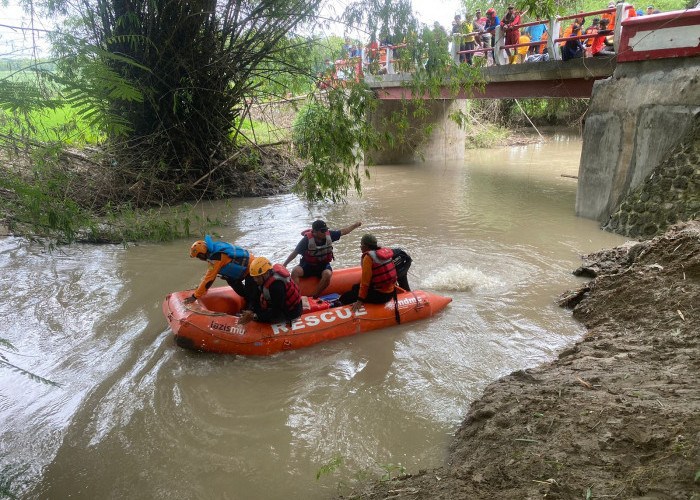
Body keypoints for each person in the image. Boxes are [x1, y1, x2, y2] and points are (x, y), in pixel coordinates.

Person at [283, 219, 362, 299]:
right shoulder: (306, 240)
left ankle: (315, 296)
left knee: (327, 274)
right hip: (308, 266)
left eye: (326, 230)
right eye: (322, 231)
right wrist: (285, 265)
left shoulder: (329, 235)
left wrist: (355, 225)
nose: (325, 232)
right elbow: (294, 253)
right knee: (295, 271)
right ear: (315, 232)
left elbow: (343, 232)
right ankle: (296, 297)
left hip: (323, 266)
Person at [185, 236, 258, 306]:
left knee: (251, 294)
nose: (200, 259)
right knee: (231, 281)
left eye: (199, 256)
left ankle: (252, 306)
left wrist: (195, 296)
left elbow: (209, 279)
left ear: (203, 252)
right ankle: (247, 299)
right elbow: (212, 273)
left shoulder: (215, 259)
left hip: (251, 268)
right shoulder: (215, 247)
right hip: (245, 265)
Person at [339, 234, 398, 313]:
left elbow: (365, 283)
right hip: (390, 292)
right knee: (355, 287)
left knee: (345, 297)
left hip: (381, 296)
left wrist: (359, 301)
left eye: (361, 245)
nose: (360, 247)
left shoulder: (368, 258)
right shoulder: (384, 254)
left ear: (365, 246)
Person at [238, 257, 302, 325]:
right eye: (254, 277)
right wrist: (251, 310)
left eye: (257, 277)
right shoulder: (264, 279)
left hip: (291, 312)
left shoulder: (277, 286)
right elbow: (256, 297)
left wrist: (255, 316)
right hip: (278, 304)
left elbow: (276, 313)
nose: (255, 280)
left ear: (266, 273)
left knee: (260, 318)